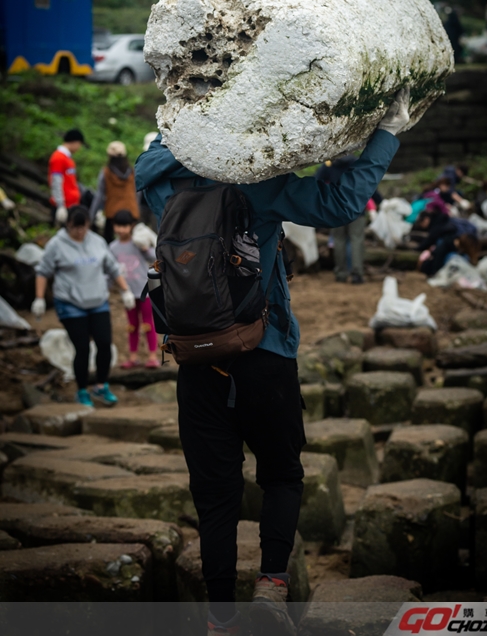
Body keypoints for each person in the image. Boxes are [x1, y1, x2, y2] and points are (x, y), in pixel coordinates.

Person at [134, 88, 410, 636]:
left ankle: (219, 617)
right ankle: (272, 584)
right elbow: (340, 204)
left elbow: (154, 152)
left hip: (196, 361)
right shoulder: (255, 183)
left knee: (214, 497)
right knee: (282, 475)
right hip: (265, 354)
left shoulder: (156, 181)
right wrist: (387, 134)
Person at [31, 205, 136, 407]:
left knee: (104, 344)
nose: (79, 232)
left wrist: (125, 291)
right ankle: (81, 390)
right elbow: (43, 271)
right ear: (67, 225)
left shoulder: (97, 242)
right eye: (74, 227)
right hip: (71, 304)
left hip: (97, 300)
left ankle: (101, 386)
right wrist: (39, 298)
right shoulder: (57, 245)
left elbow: (112, 268)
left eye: (83, 227)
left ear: (88, 224)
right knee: (83, 348)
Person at [110, 209, 159, 368]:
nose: (121, 229)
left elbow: (154, 258)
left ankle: (152, 356)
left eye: (124, 226)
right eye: (118, 226)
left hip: (144, 290)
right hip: (127, 292)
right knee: (131, 325)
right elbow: (110, 270)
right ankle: (133, 356)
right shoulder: (113, 248)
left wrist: (146, 249)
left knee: (148, 323)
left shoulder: (138, 242)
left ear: (131, 226)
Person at [316, 157, 369, 283]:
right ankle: (357, 274)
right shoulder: (357, 163)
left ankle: (341, 274)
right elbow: (368, 182)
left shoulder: (329, 165)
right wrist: (379, 200)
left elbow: (317, 180)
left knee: (339, 241)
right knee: (356, 240)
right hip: (356, 208)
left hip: (336, 209)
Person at [90, 141, 140, 243]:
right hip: (131, 211)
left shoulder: (106, 172)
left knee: (109, 242)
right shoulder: (132, 172)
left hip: (112, 212)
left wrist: (91, 215)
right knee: (131, 242)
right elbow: (138, 192)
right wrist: (136, 208)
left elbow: (99, 195)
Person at [48, 128, 88, 227]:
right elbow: (56, 182)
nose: (79, 148)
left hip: (72, 204)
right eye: (79, 144)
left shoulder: (67, 158)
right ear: (75, 142)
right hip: (65, 206)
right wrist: (60, 205)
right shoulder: (58, 158)